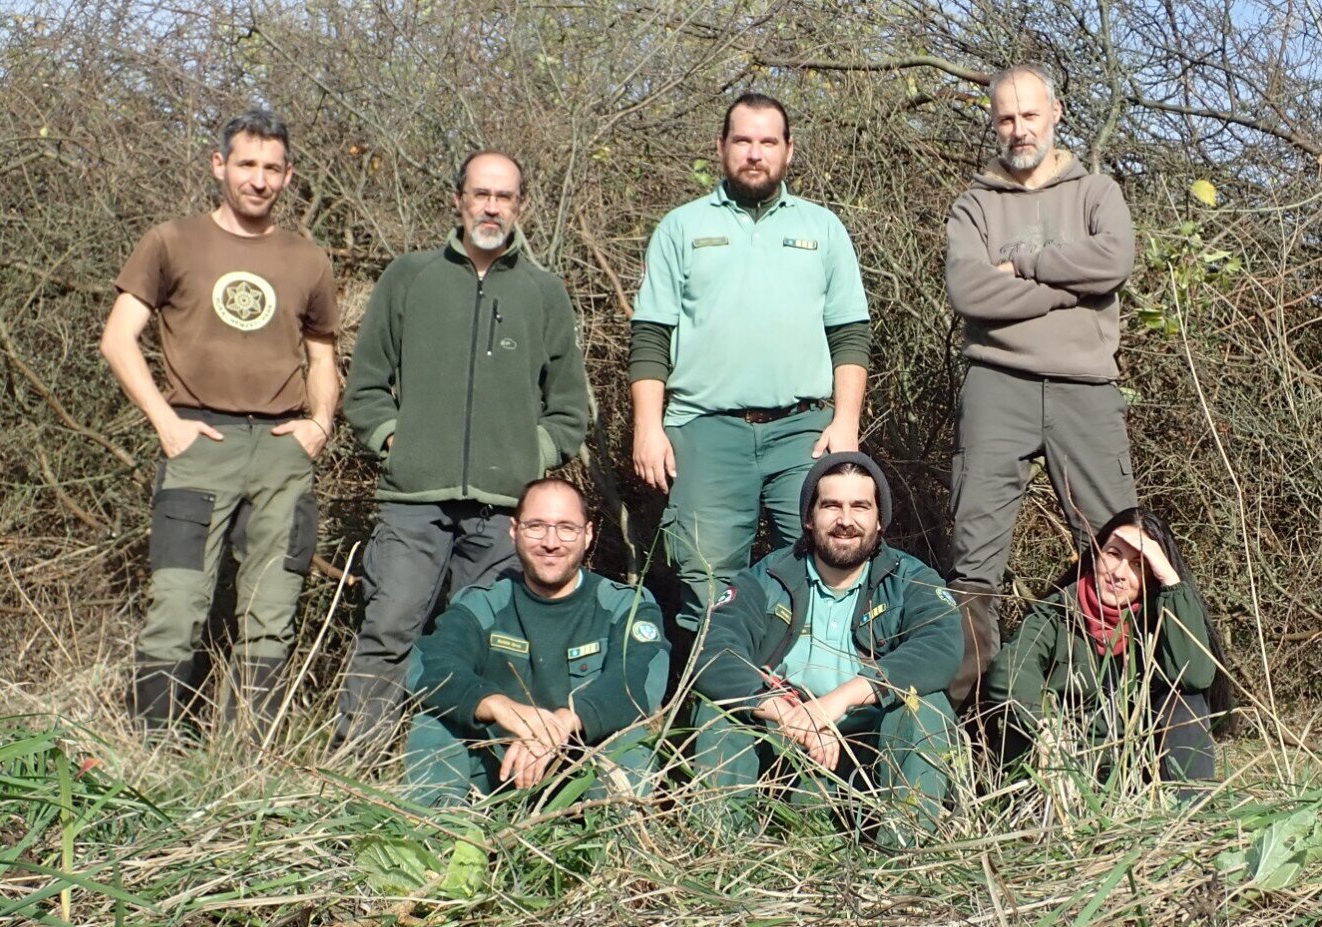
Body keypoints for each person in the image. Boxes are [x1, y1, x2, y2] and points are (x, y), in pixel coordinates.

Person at [340, 151, 592, 749]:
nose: (491, 207)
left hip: (503, 510)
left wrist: (532, 455)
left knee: (488, 642)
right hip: (413, 500)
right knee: (389, 628)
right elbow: (365, 386)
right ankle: (358, 767)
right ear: (458, 200)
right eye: (481, 194)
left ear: (520, 206)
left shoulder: (543, 291)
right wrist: (395, 441)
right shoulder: (410, 277)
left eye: (504, 197)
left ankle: (464, 773)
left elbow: (569, 407)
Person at [101, 109, 340, 736]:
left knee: (271, 612)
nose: (258, 180)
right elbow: (118, 340)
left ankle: (247, 762)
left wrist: (320, 423)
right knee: (177, 605)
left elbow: (322, 355)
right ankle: (151, 756)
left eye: (271, 168)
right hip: (198, 443)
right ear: (219, 165)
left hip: (282, 451)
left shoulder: (308, 259)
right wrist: (166, 422)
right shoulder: (171, 241)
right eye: (246, 164)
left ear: (288, 176)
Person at [630, 92, 872, 633]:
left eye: (768, 141)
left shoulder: (824, 228)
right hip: (704, 431)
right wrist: (647, 426)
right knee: (706, 585)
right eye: (743, 140)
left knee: (819, 570)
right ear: (721, 146)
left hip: (803, 433)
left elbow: (850, 332)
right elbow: (650, 335)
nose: (755, 153)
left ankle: (804, 685)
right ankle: (717, 686)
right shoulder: (681, 228)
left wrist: (846, 422)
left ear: (789, 150)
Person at [944, 64, 1140, 704]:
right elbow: (971, 291)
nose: (1019, 129)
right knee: (974, 553)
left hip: (1086, 387)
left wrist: (1025, 265)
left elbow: (1113, 261)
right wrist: (1070, 289)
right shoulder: (975, 205)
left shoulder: (1097, 192)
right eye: (1006, 117)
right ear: (993, 122)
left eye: (1030, 114)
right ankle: (971, 724)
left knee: (1116, 546)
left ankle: (1121, 713)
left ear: (1055, 112)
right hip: (996, 384)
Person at [688, 452, 962, 843]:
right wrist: (789, 715)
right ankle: (724, 849)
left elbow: (941, 648)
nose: (845, 520)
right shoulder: (764, 579)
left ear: (879, 520)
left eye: (860, 507)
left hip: (872, 758)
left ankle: (905, 853)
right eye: (831, 505)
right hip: (784, 753)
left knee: (924, 705)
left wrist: (833, 704)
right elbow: (713, 652)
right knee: (718, 707)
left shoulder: (911, 580)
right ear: (808, 517)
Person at [402, 477, 670, 809]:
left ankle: (615, 837)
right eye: (536, 527)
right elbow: (430, 665)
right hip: (500, 768)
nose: (551, 542)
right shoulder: (482, 604)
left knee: (629, 734)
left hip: (582, 769)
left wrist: (562, 724)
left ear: (588, 534)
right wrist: (500, 707)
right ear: (514, 531)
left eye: (566, 528)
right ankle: (441, 831)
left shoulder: (624, 606)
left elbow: (638, 681)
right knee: (437, 717)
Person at [985, 508, 1233, 783]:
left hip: (1132, 775)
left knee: (1187, 701)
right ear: (1096, 554)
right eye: (1113, 554)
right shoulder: (1055, 613)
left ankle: (1188, 808)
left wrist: (1171, 582)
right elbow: (1012, 668)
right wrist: (1043, 725)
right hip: (1061, 766)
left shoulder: (1159, 620)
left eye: (1139, 564)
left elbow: (1195, 676)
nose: (1119, 573)